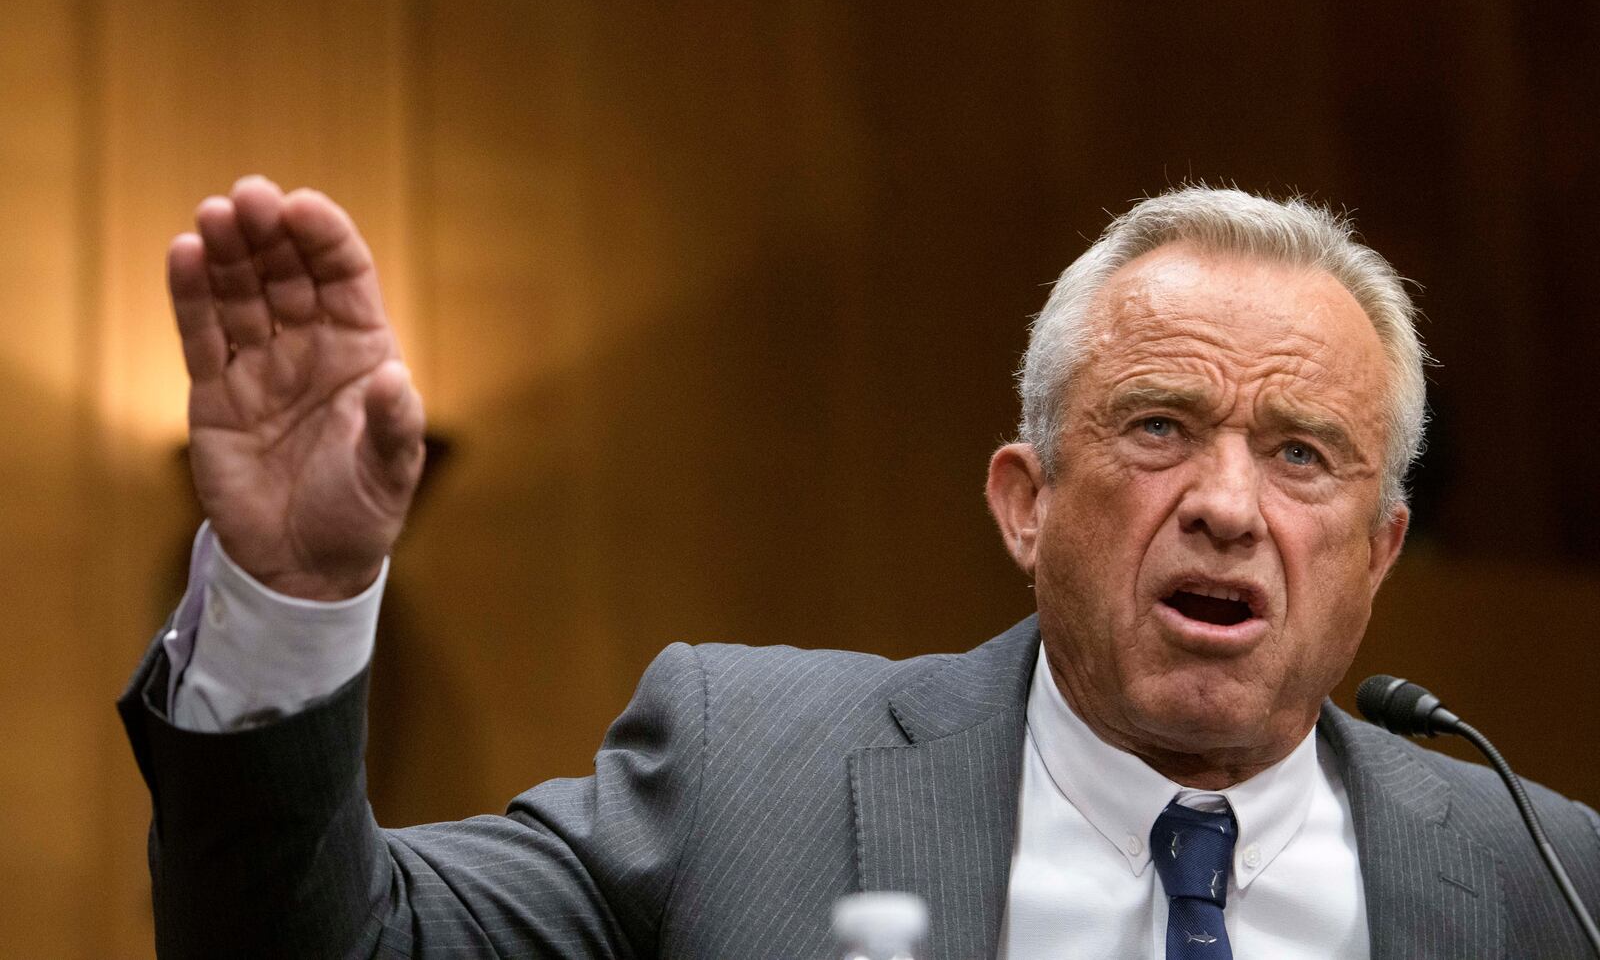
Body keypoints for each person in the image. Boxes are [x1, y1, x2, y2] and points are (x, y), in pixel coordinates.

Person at [121, 178, 1600, 959]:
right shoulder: (745, 778)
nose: (1225, 505)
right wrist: (294, 595)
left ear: (1381, 550)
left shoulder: (1552, 886)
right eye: (1159, 427)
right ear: (1024, 505)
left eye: (1300, 455)